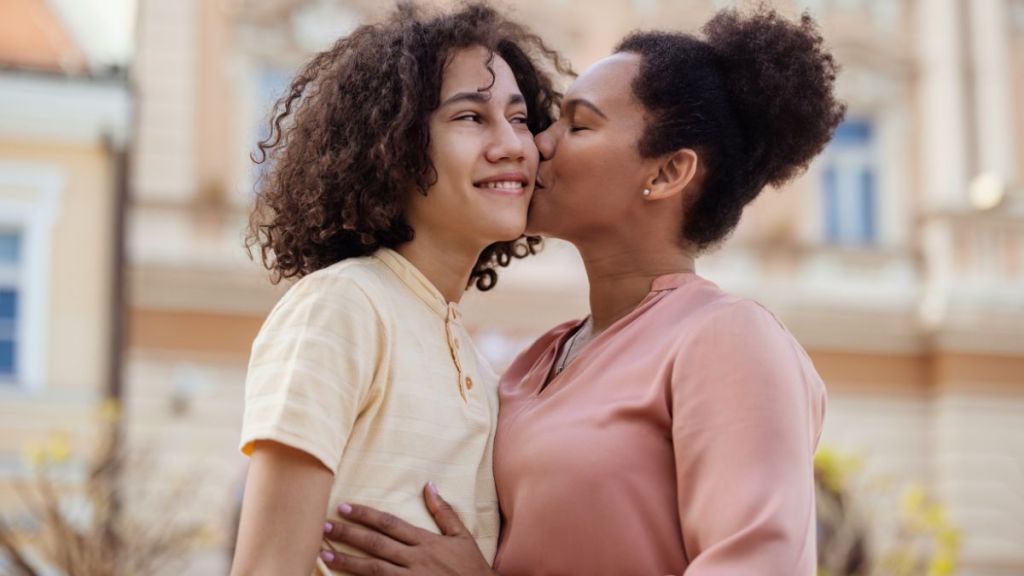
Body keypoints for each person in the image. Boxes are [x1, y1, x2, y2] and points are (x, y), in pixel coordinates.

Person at [318, 5, 844, 575]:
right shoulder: (532, 363)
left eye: (579, 124)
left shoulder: (726, 339)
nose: (538, 142)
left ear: (667, 173)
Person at [229, 3, 569, 575]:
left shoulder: (473, 361)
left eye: (517, 118)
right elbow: (267, 566)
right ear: (394, 146)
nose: (512, 144)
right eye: (470, 118)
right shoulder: (342, 306)